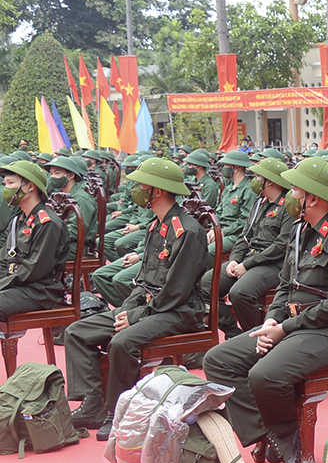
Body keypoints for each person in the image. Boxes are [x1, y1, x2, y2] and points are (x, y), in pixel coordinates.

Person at [202, 157, 328, 463]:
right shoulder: (301, 231)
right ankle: (267, 429)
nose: (291, 196)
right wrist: (271, 320)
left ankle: (285, 433)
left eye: (296, 190)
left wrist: (284, 328)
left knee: (263, 374)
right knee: (217, 360)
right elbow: (285, 285)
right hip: (297, 324)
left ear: (315, 197)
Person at [67, 158, 206, 440]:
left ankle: (116, 413)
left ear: (157, 191)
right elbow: (142, 280)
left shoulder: (188, 231)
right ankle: (92, 403)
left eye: (143, 185)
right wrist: (128, 309)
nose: (137, 189)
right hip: (150, 306)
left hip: (178, 312)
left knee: (122, 342)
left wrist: (136, 316)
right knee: (76, 332)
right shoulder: (157, 225)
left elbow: (176, 291)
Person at [205, 156, 294, 336]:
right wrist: (235, 259)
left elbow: (281, 246)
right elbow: (245, 235)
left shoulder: (288, 207)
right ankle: (233, 333)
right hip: (249, 259)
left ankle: (253, 336)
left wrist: (247, 264)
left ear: (271, 182)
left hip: (273, 264)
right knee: (206, 285)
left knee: (241, 292)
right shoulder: (260, 202)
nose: (256, 180)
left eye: (260, 177)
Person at [0, 160, 69, 320]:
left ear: (30, 186)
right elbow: (4, 259)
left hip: (39, 290)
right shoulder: (18, 220)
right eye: (5, 183)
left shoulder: (48, 223)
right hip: (18, 284)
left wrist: (2, 284)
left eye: (11, 183)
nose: (6, 189)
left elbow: (35, 269)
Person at [43, 155, 96, 264]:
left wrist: (49, 236)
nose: (52, 177)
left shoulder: (81, 199)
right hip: (61, 242)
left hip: (76, 247)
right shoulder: (60, 195)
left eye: (57, 173)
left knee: (38, 256)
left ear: (71, 175)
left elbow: (76, 231)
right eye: (51, 173)